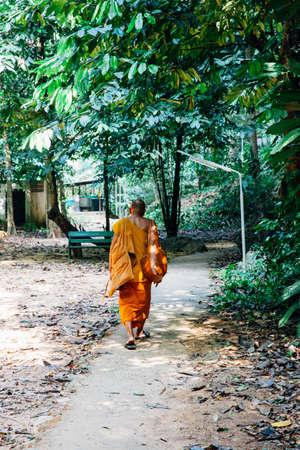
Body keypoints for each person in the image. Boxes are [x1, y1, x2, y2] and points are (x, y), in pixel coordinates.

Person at [109, 199, 160, 350]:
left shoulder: (121, 224)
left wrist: (111, 268)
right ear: (144, 211)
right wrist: (156, 270)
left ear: (131, 209)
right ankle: (140, 332)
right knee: (142, 304)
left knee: (127, 304)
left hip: (125, 272)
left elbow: (113, 248)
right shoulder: (150, 224)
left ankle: (131, 335)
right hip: (143, 273)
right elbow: (154, 249)